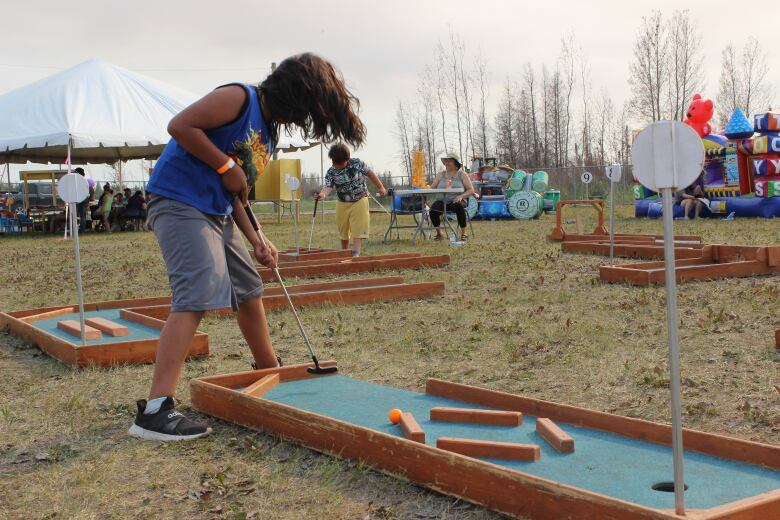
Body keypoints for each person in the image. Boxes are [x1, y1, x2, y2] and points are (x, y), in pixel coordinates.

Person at [129, 53, 366, 441]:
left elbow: (236, 191)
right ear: (295, 95)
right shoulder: (240, 99)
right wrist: (225, 165)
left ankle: (267, 368)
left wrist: (258, 238)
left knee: (248, 287)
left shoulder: (269, 133)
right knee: (198, 292)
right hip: (179, 201)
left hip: (217, 211)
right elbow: (180, 126)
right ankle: (155, 410)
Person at [315, 144, 386, 257]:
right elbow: (328, 186)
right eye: (335, 163)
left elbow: (370, 174)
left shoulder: (357, 164)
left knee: (358, 226)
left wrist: (380, 187)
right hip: (342, 203)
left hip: (360, 199)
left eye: (340, 163)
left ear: (347, 159)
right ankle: (344, 251)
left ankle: (356, 252)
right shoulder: (331, 172)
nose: (337, 166)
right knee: (343, 229)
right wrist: (322, 195)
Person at [429, 151, 475, 241]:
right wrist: (423, 187)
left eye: (449, 160)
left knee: (458, 206)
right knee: (433, 210)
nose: (447, 162)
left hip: (457, 200)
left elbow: (471, 190)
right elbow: (431, 187)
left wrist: (462, 196)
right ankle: (439, 233)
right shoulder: (440, 175)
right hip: (442, 201)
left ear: (456, 163)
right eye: (446, 161)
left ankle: (464, 232)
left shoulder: (462, 174)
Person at [74, 167, 94, 232]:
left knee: (76, 214)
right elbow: (91, 190)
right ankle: (82, 230)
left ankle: (75, 229)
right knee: (83, 216)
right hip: (85, 199)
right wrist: (90, 198)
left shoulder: (77, 180)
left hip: (79, 199)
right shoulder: (85, 181)